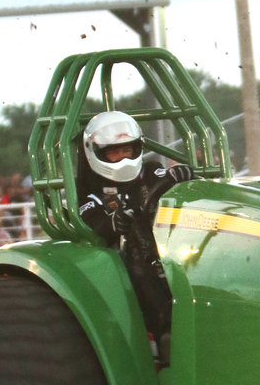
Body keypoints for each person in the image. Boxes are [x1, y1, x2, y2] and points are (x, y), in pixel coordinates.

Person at [77, 111, 193, 361]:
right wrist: (114, 221)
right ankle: (163, 329)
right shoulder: (90, 195)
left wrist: (183, 179)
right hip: (119, 266)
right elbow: (93, 223)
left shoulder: (151, 172)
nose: (123, 157)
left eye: (128, 149)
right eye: (114, 152)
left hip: (168, 249)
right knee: (135, 249)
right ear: (95, 153)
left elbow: (170, 185)